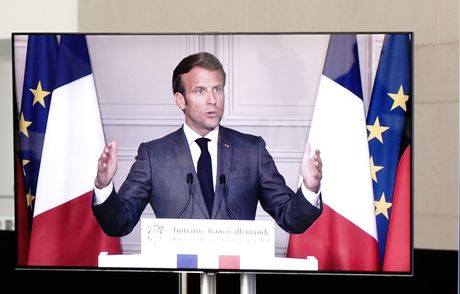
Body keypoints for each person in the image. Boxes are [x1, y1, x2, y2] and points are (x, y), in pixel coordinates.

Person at [92, 52, 322, 237]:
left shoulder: (252, 151)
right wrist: (103, 185)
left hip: (237, 282)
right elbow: (119, 223)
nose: (212, 100)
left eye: (217, 89)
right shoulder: (153, 156)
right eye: (200, 91)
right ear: (180, 100)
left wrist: (310, 188)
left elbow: (291, 218)